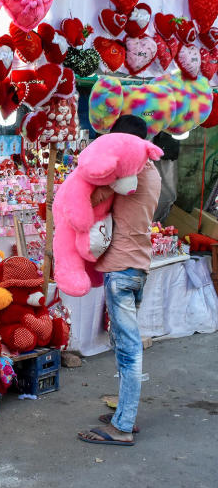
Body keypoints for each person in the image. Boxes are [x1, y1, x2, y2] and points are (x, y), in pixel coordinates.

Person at [78, 115, 161, 447]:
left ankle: (123, 425)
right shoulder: (149, 171)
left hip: (122, 270)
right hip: (137, 267)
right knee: (122, 343)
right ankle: (123, 412)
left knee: (128, 350)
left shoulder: (129, 172)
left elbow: (92, 198)